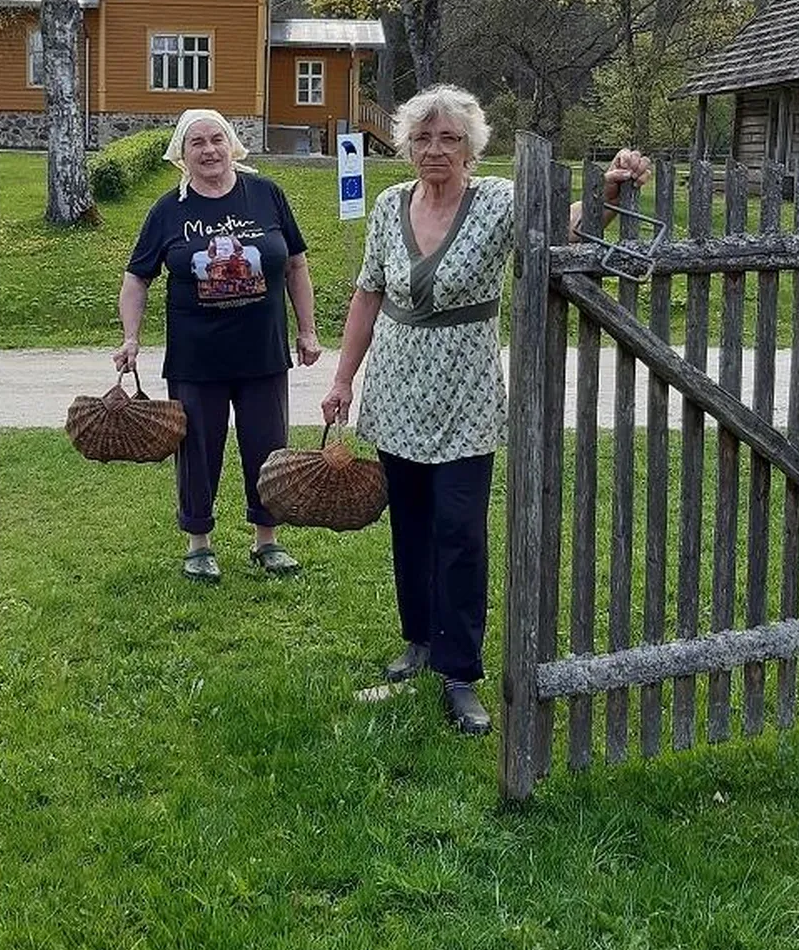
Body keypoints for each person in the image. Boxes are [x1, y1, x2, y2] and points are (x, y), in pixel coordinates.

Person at [322, 85, 649, 736]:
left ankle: (459, 673)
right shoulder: (389, 206)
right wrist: (342, 377)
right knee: (410, 526)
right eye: (423, 138)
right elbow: (367, 294)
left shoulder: (495, 200)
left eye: (448, 138)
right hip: (395, 389)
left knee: (461, 531)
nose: (434, 150)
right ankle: (419, 642)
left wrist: (612, 190)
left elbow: (566, 221)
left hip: (464, 395)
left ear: (471, 147)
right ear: (406, 145)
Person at [115, 109, 322, 581]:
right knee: (197, 450)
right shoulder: (169, 210)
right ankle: (198, 543)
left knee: (268, 447)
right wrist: (131, 337)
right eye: (197, 143)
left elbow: (295, 266)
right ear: (182, 155)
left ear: (232, 144)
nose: (209, 150)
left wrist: (307, 330)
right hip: (196, 357)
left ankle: (266, 540)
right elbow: (136, 279)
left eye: (216, 139)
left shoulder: (267, 195)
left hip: (262, 352)